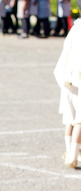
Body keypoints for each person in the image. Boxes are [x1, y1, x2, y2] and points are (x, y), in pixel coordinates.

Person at [54, 20, 81, 168]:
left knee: (70, 117)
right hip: (78, 77)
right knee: (79, 119)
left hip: (67, 76)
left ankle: (69, 150)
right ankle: (73, 155)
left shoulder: (75, 28)